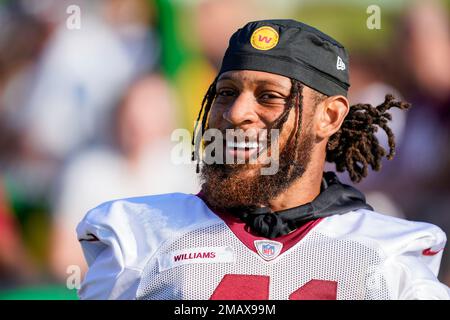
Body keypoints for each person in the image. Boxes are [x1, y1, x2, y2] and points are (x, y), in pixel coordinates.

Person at [76, 19, 450, 299]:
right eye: (225, 93)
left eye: (269, 96)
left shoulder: (389, 252)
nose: (236, 113)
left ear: (330, 116)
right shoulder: (137, 235)